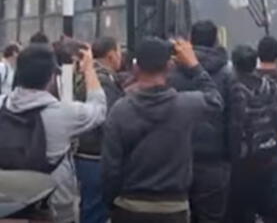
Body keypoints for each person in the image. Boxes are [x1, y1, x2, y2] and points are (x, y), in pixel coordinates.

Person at [101, 38, 223, 223]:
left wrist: (113, 204)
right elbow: (215, 100)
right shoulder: (186, 106)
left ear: (135, 68)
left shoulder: (120, 111)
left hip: (130, 206)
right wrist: (194, 66)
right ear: (169, 67)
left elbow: (110, 169)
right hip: (173, 207)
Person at [0, 43, 107, 223]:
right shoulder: (65, 114)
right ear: (50, 78)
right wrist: (89, 69)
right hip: (53, 207)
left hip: (6, 204)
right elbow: (99, 109)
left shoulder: (2, 105)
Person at [168, 21, 232, 223]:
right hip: (215, 160)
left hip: (176, 160)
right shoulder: (228, 73)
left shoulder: (171, 73)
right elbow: (234, 118)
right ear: (216, 41)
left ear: (190, 40)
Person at [226, 45, 277, 223]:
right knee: (273, 211)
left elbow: (229, 126)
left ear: (235, 65)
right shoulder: (271, 87)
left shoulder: (231, 89)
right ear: (255, 63)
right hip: (269, 157)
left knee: (241, 212)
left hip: (242, 163)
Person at [74, 37, 125, 223]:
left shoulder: (92, 76)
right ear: (111, 55)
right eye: (119, 52)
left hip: (87, 154)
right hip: (96, 156)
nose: (122, 57)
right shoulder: (103, 82)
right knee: (95, 210)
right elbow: (109, 120)